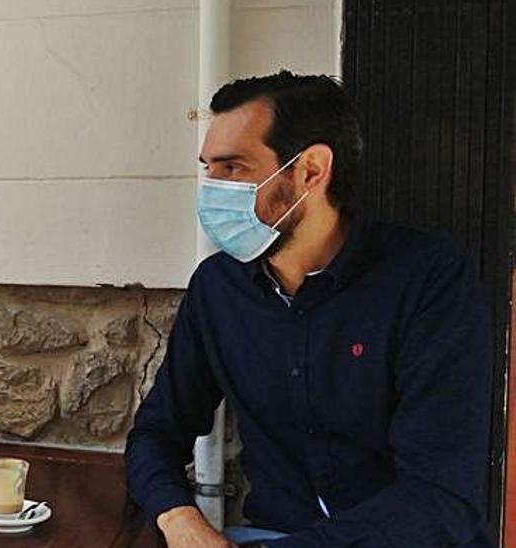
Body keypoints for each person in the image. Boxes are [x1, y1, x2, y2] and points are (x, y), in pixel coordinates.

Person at [125, 71, 493, 547]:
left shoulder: (429, 279)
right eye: (208, 169)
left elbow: (441, 496)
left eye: (234, 168)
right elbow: (155, 433)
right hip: (270, 533)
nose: (212, 189)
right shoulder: (218, 289)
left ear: (311, 171)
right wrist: (181, 520)